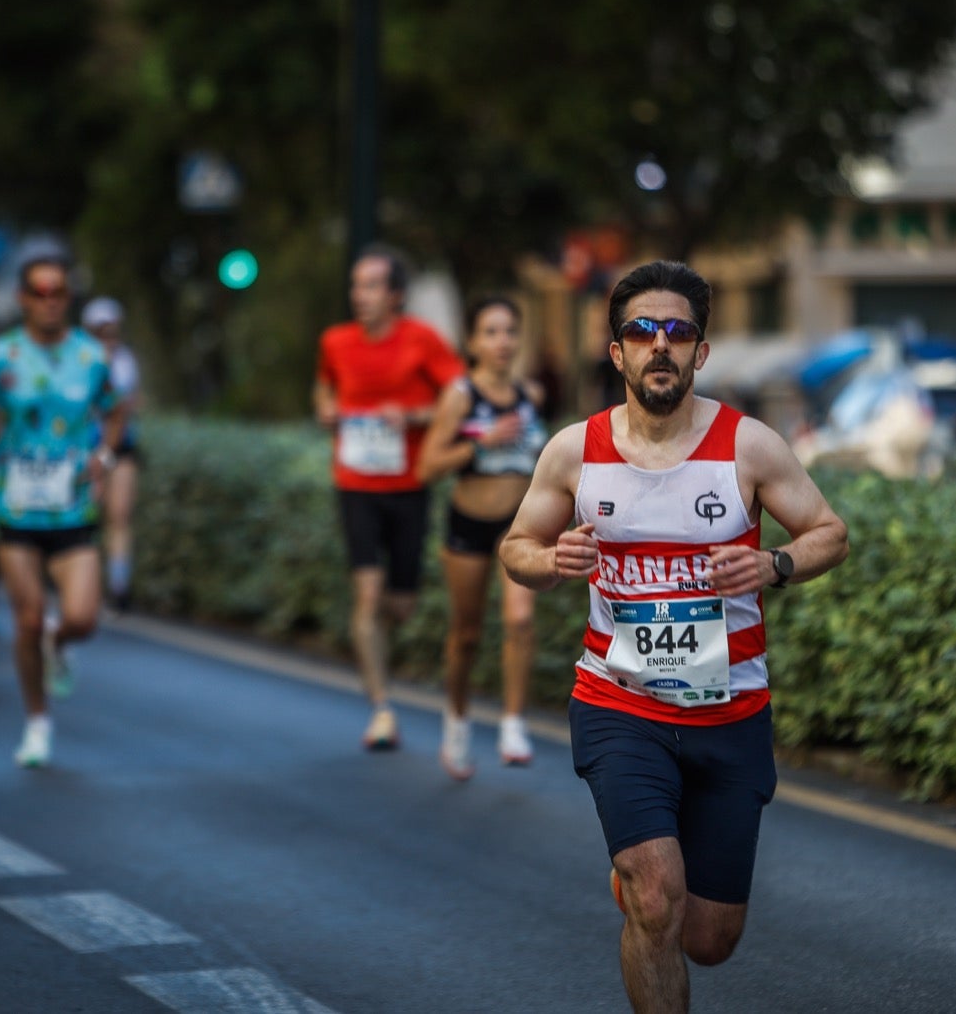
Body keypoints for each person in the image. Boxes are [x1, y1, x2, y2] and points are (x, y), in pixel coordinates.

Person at [500, 260, 849, 1014]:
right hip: (619, 705)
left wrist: (774, 563)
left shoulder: (747, 446)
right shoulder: (574, 450)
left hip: (731, 715)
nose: (662, 346)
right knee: (658, 899)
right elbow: (515, 549)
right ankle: (644, 874)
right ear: (617, 352)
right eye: (642, 331)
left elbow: (830, 532)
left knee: (709, 937)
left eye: (679, 332)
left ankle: (644, 876)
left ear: (702, 351)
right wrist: (549, 560)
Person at [0, 256, 129, 768]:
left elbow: (117, 409)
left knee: (83, 618)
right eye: (40, 291)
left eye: (59, 292)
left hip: (72, 508)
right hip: (14, 504)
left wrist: (104, 457)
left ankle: (58, 641)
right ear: (22, 297)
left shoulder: (91, 356)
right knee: (26, 616)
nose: (50, 300)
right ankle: (38, 722)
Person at [314, 244, 464, 750]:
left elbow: (459, 395)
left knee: (400, 604)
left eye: (373, 285)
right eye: (357, 285)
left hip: (409, 484)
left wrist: (417, 417)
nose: (361, 295)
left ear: (396, 294)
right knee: (369, 593)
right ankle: (381, 708)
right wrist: (327, 409)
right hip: (355, 482)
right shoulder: (335, 341)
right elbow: (324, 387)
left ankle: (383, 637)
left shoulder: (423, 340)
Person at [416, 295, 547, 779]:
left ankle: (513, 723)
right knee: (466, 635)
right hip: (468, 521)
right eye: (491, 332)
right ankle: (456, 723)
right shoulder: (459, 395)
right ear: (472, 342)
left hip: (518, 524)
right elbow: (426, 466)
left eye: (510, 331)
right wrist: (479, 443)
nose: (502, 341)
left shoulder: (531, 396)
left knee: (520, 620)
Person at [81, 296, 142, 611]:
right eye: (100, 329)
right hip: (84, 448)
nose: (108, 335)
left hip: (118, 448)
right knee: (87, 517)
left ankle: (119, 586)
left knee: (119, 515)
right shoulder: (77, 360)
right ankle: (85, 584)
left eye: (112, 329)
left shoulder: (125, 361)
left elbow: (126, 407)